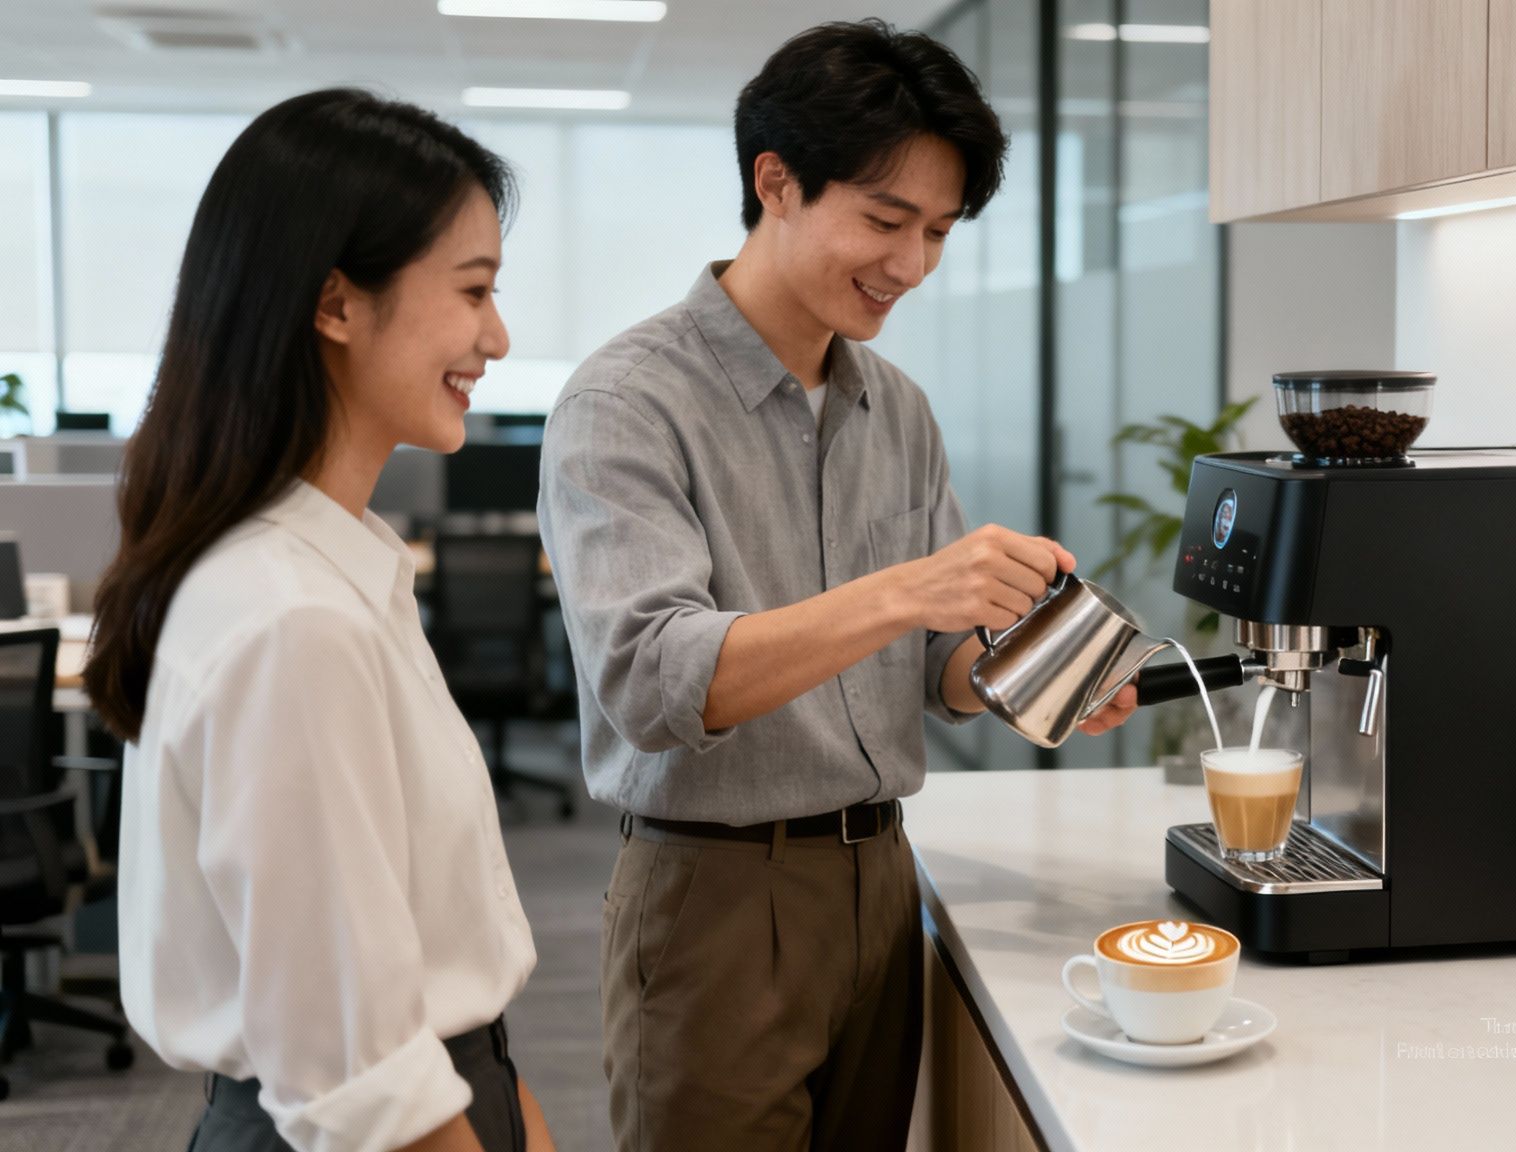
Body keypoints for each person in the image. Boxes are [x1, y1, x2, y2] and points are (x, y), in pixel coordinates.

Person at [538, 18, 1138, 1152]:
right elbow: (652, 680)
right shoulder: (625, 401)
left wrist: (1022, 677)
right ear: (775, 183)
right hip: (714, 894)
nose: (910, 265)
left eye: (938, 232)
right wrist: (910, 589)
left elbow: (931, 669)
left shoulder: (894, 407)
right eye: (882, 220)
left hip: (880, 879)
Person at [84, 88, 555, 1152]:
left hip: (454, 1089)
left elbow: (439, 994)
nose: (498, 335)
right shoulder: (291, 620)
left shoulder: (339, 575)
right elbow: (363, 1084)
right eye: (472, 290)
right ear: (336, 304)